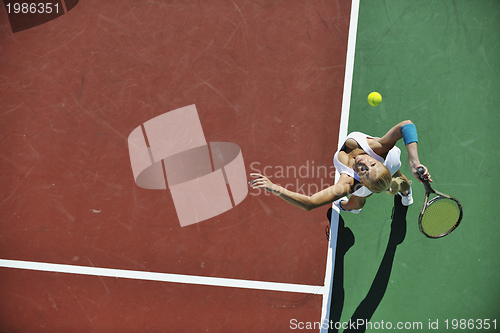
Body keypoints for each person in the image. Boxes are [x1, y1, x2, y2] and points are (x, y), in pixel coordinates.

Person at [249, 120, 432, 213]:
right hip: (390, 161)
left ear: (364, 184)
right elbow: (406, 126)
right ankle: (406, 193)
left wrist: (275, 187)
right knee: (397, 176)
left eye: (365, 172)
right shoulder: (379, 150)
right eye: (372, 163)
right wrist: (414, 162)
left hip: (386, 167)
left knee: (356, 201)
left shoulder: (348, 183)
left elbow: (310, 204)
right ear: (378, 160)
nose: (364, 163)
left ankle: (351, 208)